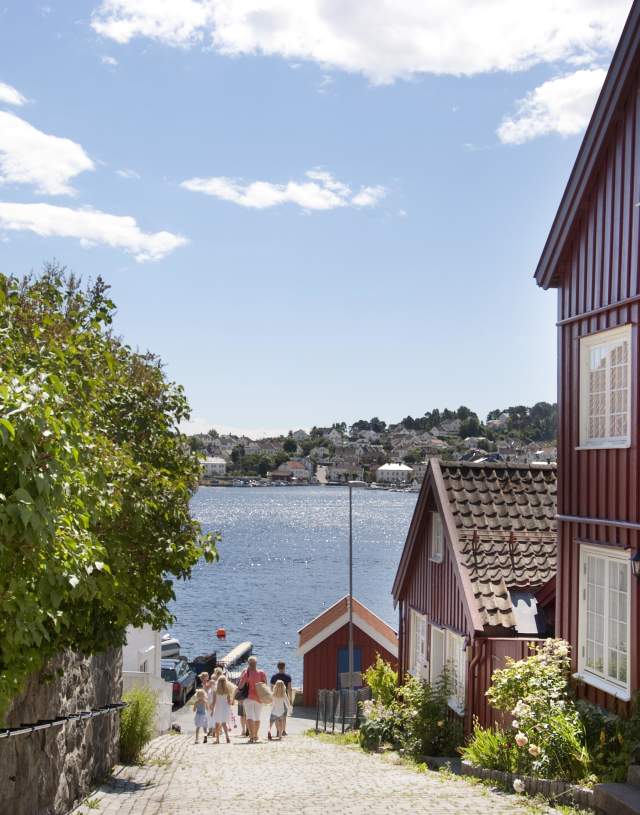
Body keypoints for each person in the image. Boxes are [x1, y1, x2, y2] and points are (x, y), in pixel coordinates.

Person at [238, 655, 267, 743]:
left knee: (249, 716)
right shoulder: (262, 673)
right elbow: (265, 685)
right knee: (257, 717)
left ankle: (251, 736)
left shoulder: (246, 673)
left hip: (249, 698)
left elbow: (240, 686)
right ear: (256, 663)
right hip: (259, 698)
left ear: (248, 663)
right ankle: (256, 735)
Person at [268, 661, 293, 739]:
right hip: (283, 697)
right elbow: (289, 689)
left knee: (275, 717)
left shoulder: (274, 677)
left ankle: (277, 731)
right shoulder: (288, 677)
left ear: (277, 667)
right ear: (284, 667)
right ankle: (283, 730)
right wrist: (290, 699)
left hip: (275, 698)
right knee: (283, 716)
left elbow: (271, 688)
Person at [212, 675, 233, 744]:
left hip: (218, 708)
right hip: (225, 708)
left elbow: (214, 702)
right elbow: (229, 702)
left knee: (217, 724)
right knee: (224, 723)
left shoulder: (215, 690)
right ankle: (227, 737)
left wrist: (212, 710)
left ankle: (217, 739)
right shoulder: (227, 690)